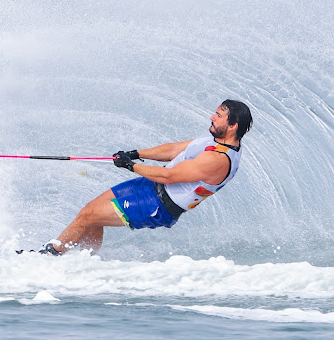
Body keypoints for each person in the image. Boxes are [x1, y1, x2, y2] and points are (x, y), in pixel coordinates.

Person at [41, 99, 253, 255]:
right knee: (91, 213)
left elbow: (169, 176)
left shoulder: (218, 160)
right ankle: (83, 261)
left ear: (232, 126)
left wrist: (130, 166)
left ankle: (50, 256)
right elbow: (173, 150)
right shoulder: (213, 137)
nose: (212, 117)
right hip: (150, 185)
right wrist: (135, 154)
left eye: (218, 115)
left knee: (88, 215)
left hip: (158, 205)